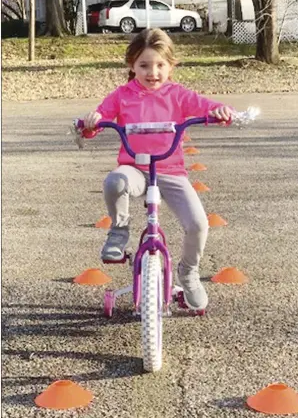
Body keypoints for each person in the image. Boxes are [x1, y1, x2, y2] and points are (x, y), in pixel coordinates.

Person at [83, 28, 232, 311]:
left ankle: (188, 271)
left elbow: (205, 106)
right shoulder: (123, 95)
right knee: (115, 181)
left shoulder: (178, 94)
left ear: (171, 66)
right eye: (144, 65)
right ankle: (119, 231)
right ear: (132, 66)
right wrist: (92, 122)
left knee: (198, 224)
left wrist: (220, 112)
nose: (153, 72)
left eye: (160, 65)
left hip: (171, 171)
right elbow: (100, 115)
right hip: (135, 169)